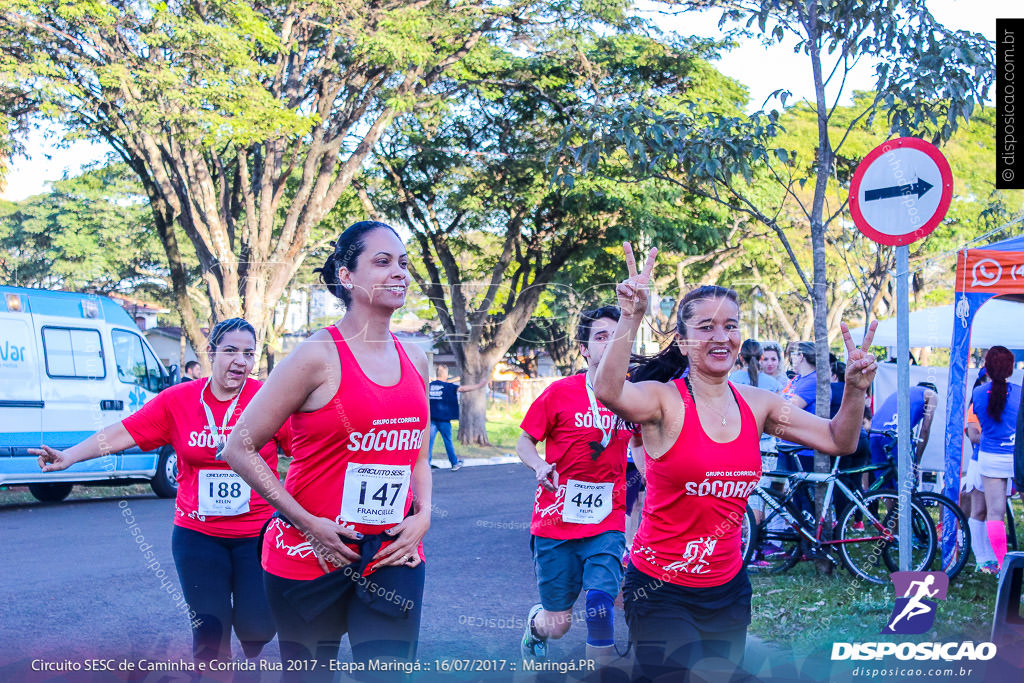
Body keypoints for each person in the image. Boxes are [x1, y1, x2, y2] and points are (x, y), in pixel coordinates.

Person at [593, 243, 876, 682]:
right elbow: (609, 391)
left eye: (731, 326)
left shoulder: (760, 405)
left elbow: (838, 438)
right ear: (684, 342)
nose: (721, 336)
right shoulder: (663, 401)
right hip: (660, 590)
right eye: (706, 327)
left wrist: (855, 388)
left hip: (727, 590)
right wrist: (630, 316)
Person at [220, 221, 431, 682]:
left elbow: (417, 449)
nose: (399, 272)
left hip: (391, 554)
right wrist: (307, 522)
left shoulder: (416, 357)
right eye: (382, 262)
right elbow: (239, 446)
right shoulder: (316, 355)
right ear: (347, 275)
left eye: (403, 263)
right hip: (308, 555)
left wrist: (425, 513)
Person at [32, 318, 290, 668]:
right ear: (211, 351)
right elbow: (123, 433)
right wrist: (70, 456)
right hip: (198, 535)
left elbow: (308, 448)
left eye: (248, 353)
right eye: (230, 351)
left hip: (258, 535)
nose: (240, 361)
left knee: (256, 631)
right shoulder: (178, 401)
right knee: (210, 635)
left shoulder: (268, 398)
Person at [517, 305, 632, 668]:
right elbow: (524, 442)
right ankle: (537, 626)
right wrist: (538, 466)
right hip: (556, 521)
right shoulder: (559, 393)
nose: (609, 344)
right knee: (558, 625)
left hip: (607, 519)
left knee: (601, 603)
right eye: (600, 337)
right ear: (584, 348)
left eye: (617, 337)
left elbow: (643, 448)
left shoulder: (633, 395)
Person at [972, 346, 1022, 571]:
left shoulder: (978, 394)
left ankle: (1003, 567)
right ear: (1011, 368)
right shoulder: (1020, 392)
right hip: (1018, 456)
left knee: (994, 513)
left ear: (987, 369)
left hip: (990, 457)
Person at [868, 382, 939, 489]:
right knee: (905, 487)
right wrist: (917, 463)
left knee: (887, 488)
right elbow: (925, 429)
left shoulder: (904, 392)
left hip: (874, 434)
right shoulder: (932, 395)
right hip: (894, 436)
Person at [428, 365, 488, 470]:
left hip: (431, 420)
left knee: (428, 444)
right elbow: (463, 389)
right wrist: (479, 386)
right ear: (446, 374)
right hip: (444, 421)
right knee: (448, 442)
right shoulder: (449, 387)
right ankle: (454, 463)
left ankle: (426, 465)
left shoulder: (429, 386)